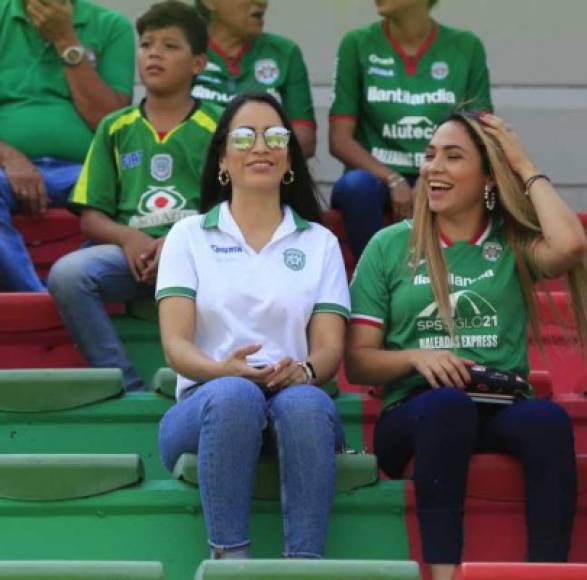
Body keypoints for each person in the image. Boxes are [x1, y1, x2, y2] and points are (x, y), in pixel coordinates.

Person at [347, 111, 587, 580]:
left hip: (499, 404)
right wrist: (419, 356)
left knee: (548, 420)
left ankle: (547, 573)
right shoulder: (389, 245)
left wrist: (521, 161)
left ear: (488, 178)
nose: (433, 167)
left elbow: (571, 245)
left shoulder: (511, 243)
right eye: (430, 155)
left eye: (453, 157)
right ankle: (442, 573)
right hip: (415, 412)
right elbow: (357, 362)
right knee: (447, 408)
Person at [156, 91, 349, 559]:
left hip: (293, 400)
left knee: (305, 401)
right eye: (244, 137)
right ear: (223, 158)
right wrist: (223, 370)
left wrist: (302, 370)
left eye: (275, 136)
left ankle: (304, 565)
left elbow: (328, 348)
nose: (260, 146)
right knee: (235, 394)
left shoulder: (320, 241)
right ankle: (231, 562)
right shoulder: (188, 235)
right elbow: (176, 346)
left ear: (289, 161)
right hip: (205, 406)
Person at [48, 1, 222, 391]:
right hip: (132, 258)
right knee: (68, 274)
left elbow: (235, 210)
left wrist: (178, 243)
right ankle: (127, 387)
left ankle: (210, 378)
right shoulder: (115, 125)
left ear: (197, 64)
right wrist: (130, 238)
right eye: (146, 45)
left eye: (170, 46)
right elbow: (91, 216)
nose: (154, 53)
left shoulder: (219, 127)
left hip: (201, 258)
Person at [329, 0, 493, 261]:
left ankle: (455, 276)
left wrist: (430, 175)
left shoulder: (466, 47)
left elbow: (480, 133)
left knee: (474, 184)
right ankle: (372, 277)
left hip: (441, 171)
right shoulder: (357, 43)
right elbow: (339, 139)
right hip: (376, 179)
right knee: (355, 187)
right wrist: (393, 179)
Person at [0, 0, 135, 291]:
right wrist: (8, 156)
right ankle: (40, 298)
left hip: (85, 169)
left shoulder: (112, 26)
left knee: (134, 200)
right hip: (2, 169)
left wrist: (66, 40)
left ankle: (75, 288)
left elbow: (108, 122)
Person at [192, 0, 316, 158]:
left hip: (264, 172)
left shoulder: (284, 53)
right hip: (196, 175)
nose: (262, 2)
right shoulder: (187, 52)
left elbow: (304, 142)